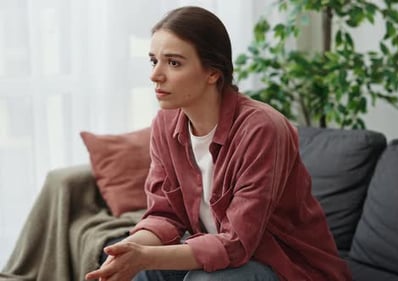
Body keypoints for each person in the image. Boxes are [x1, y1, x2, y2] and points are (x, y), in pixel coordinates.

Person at [85, 6, 352, 281]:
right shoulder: (165, 124)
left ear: (213, 72)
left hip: (289, 266)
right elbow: (164, 214)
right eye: (154, 61)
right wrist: (132, 250)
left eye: (174, 63)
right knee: (142, 271)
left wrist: (147, 256)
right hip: (230, 258)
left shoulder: (262, 129)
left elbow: (237, 243)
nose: (155, 75)